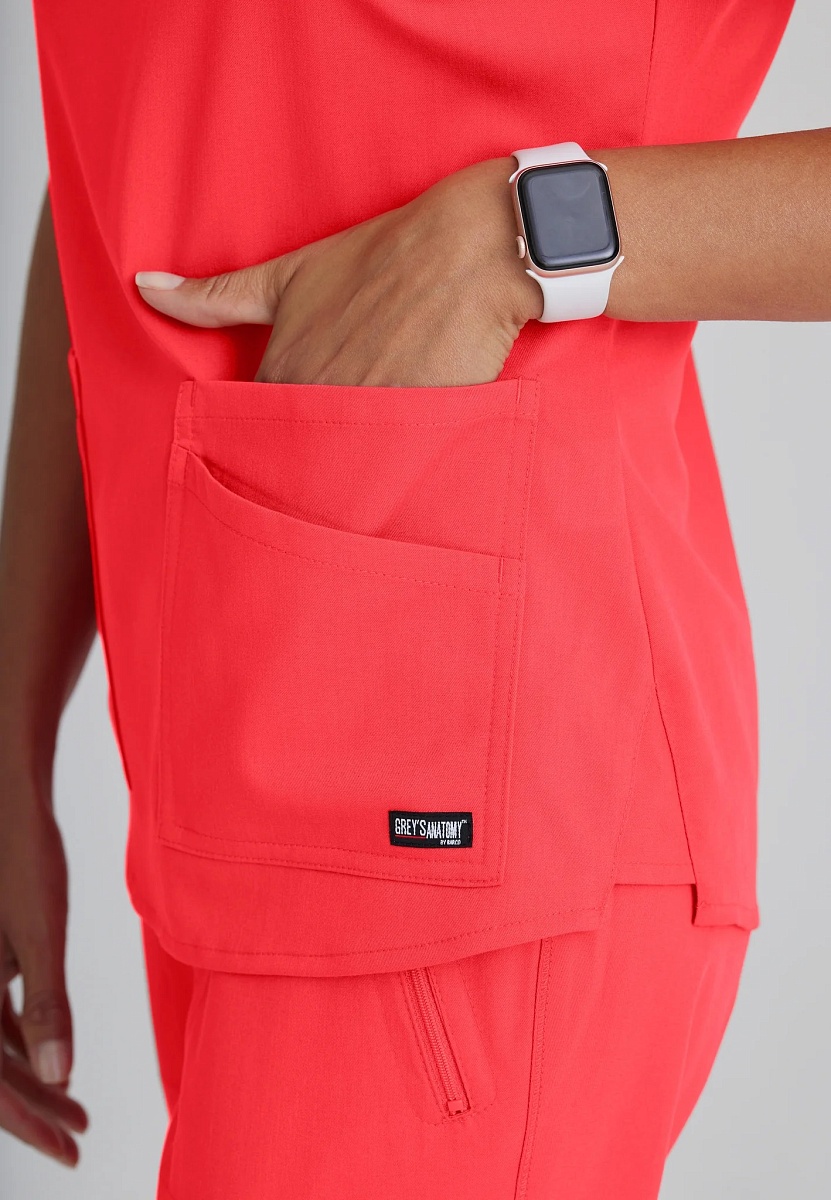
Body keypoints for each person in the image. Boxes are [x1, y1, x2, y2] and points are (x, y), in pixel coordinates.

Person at [0, 0, 826, 1196]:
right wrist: (14, 728)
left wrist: (520, 238)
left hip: (487, 827)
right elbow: (131, 173)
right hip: (235, 782)